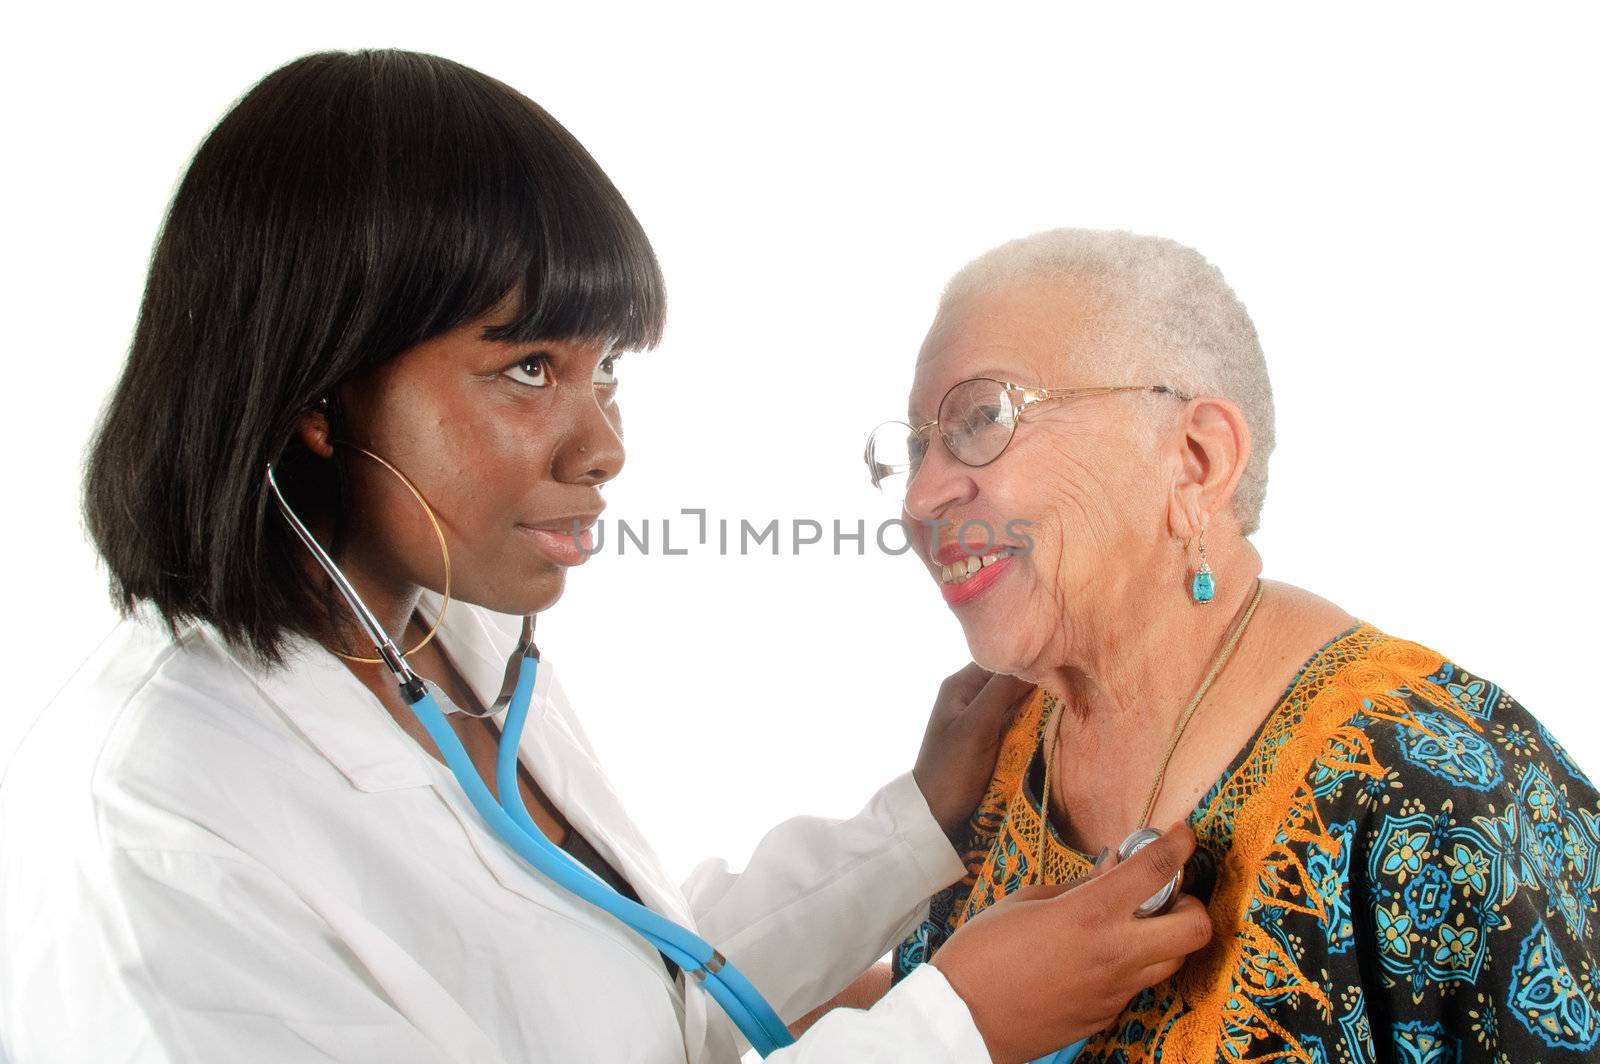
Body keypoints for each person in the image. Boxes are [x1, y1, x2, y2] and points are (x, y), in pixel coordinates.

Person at [0, 53, 1212, 1064]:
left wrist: (913, 824)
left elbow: (631, 999)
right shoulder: (160, 831)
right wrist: (950, 1030)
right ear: (320, 394)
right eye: (527, 369)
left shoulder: (447, 634)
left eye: (607, 369)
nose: (606, 447)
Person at [841, 227, 1600, 1060]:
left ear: (1198, 461)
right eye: (917, 446)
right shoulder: (990, 766)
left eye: (981, 418)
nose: (918, 496)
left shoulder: (1441, 790)